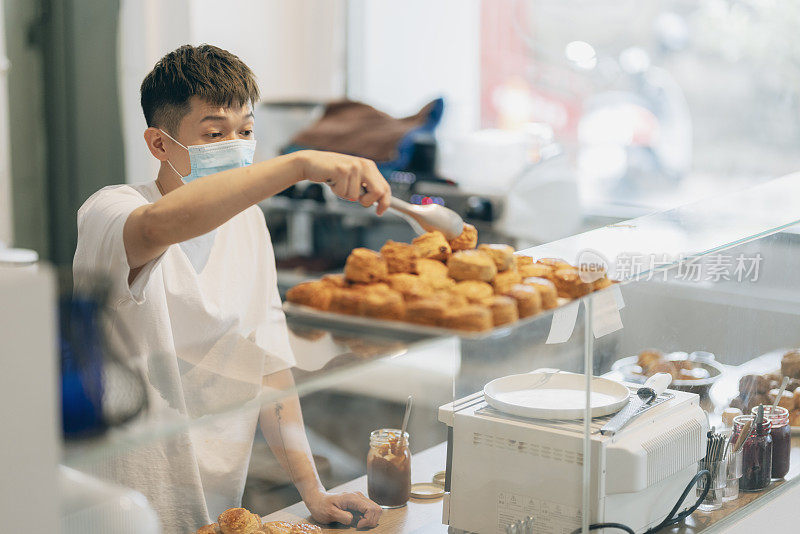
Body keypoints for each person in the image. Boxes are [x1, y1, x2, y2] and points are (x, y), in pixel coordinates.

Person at [72, 44, 388, 533]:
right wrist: (299, 165)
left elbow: (267, 369)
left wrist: (314, 492)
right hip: (125, 506)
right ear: (159, 145)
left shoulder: (249, 223)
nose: (237, 146)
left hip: (219, 508)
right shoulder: (109, 211)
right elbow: (158, 228)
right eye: (215, 133)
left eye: (246, 131)